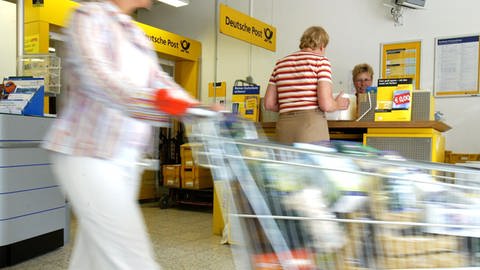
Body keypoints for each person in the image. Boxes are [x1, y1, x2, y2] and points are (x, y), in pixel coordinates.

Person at [42, 0, 201, 269]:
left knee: (95, 257)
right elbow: (99, 78)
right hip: (88, 154)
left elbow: (159, 80)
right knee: (130, 258)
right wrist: (157, 102)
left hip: (125, 158)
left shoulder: (134, 33)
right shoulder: (89, 16)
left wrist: (197, 107)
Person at [263, 26, 350, 144]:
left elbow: (268, 104)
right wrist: (337, 104)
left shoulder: (280, 64)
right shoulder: (321, 61)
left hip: (284, 127)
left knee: (286, 162)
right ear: (322, 46)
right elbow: (326, 105)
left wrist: (290, 105)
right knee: (312, 162)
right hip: (310, 126)